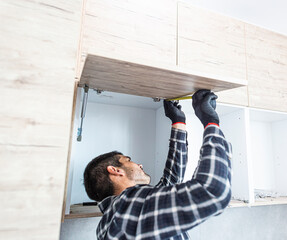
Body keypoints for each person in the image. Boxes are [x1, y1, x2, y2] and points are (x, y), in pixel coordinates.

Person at [83, 89, 233, 240]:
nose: (139, 164)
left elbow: (170, 181)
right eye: (128, 160)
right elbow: (213, 191)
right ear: (115, 170)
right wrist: (211, 122)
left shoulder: (117, 218)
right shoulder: (126, 209)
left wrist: (178, 122)